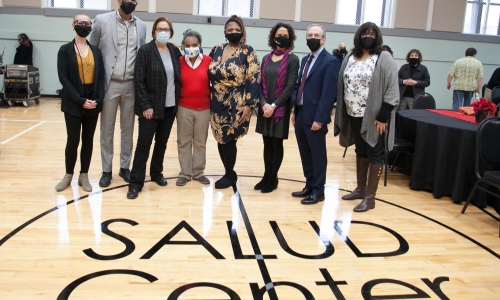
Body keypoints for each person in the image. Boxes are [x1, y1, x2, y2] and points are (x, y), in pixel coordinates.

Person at [334, 22, 399, 213]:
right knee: (360, 151)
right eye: (364, 33)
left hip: (375, 117)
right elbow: (341, 84)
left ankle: (370, 198)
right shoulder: (350, 57)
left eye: (371, 33)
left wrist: (383, 116)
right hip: (353, 113)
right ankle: (361, 189)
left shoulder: (383, 57)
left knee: (375, 153)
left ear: (377, 36)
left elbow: (392, 90)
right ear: (358, 36)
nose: (368, 36)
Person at [89, 0, 147, 187]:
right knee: (107, 129)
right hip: (109, 83)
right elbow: (94, 50)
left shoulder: (142, 25)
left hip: (131, 84)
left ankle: (124, 167)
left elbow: (142, 55)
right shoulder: (102, 20)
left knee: (127, 129)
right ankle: (106, 170)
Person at [126, 16, 181, 199]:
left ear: (171, 32)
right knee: (143, 145)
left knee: (162, 144)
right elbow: (139, 80)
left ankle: (157, 173)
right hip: (150, 108)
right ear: (154, 32)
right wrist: (145, 106)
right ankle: (135, 182)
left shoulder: (174, 51)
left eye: (166, 29)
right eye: (159, 29)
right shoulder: (146, 51)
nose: (163, 32)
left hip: (169, 107)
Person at [208, 15, 260, 189]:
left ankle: (229, 175)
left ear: (242, 31)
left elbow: (254, 78)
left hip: (236, 103)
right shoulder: (216, 49)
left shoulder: (248, 52)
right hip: (216, 102)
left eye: (237, 30)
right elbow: (205, 69)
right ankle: (229, 172)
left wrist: (249, 105)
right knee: (220, 138)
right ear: (225, 32)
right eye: (230, 30)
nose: (233, 32)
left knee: (230, 138)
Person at [290, 24, 340, 205]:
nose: (312, 37)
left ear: (323, 39)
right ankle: (309, 185)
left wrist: (320, 118)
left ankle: (319, 191)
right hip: (301, 113)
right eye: (309, 34)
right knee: (305, 153)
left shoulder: (331, 61)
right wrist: (295, 109)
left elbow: (329, 94)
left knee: (318, 155)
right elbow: (298, 86)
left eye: (316, 35)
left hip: (316, 117)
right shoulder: (305, 60)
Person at [55, 13, 105, 193]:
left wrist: (98, 100)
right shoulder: (64, 50)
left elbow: (100, 78)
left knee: (88, 140)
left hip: (93, 102)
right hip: (73, 102)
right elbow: (64, 78)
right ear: (73, 25)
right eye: (80, 23)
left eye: (87, 23)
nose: (84, 25)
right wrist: (80, 100)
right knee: (73, 140)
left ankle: (84, 175)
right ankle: (68, 175)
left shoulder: (96, 51)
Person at [255, 23, 299, 193]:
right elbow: (258, 83)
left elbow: (290, 86)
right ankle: (267, 176)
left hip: (279, 109)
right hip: (264, 107)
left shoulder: (293, 59)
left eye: (285, 35)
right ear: (273, 37)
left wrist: (273, 106)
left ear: (290, 38)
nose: (282, 37)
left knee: (276, 143)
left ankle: (273, 178)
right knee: (267, 142)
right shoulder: (266, 58)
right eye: (279, 34)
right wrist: (264, 103)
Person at [175, 30, 212, 186]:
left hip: (204, 108)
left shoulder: (209, 61)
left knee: (200, 142)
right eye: (188, 45)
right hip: (183, 107)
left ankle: (198, 172)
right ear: (183, 46)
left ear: (200, 45)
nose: (191, 48)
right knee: (184, 141)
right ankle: (185, 172)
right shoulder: (179, 61)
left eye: (194, 45)